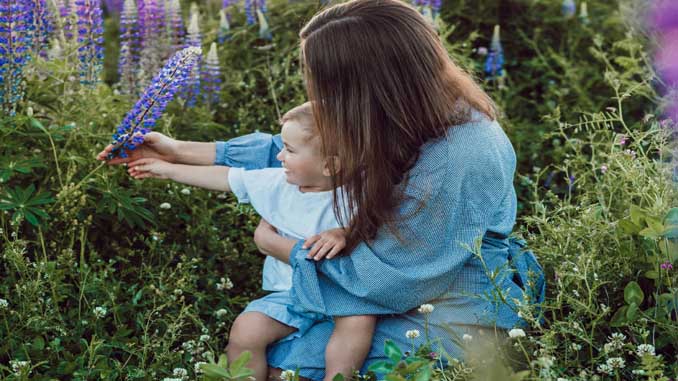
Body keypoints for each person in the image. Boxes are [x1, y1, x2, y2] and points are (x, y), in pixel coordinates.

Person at [97, 0, 545, 380]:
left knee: (286, 366)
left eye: (327, 85)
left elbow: (394, 278)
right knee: (262, 346)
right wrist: (178, 151)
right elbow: (309, 149)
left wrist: (282, 247)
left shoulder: (459, 154)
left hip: (449, 304)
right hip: (392, 283)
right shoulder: (410, 111)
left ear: (371, 85)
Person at [99, 103, 377, 381]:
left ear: (330, 165)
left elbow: (383, 220)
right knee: (247, 329)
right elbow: (227, 178)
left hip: (344, 293)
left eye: (290, 150)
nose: (279, 155)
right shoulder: (277, 183)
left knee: (357, 324)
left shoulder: (361, 191)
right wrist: (167, 168)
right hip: (291, 294)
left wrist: (345, 231)